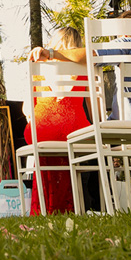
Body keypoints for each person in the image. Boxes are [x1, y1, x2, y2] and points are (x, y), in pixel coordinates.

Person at [23, 27, 91, 214]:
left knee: (44, 140)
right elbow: (91, 107)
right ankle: (70, 208)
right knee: (66, 140)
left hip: (42, 129)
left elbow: (27, 108)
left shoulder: (39, 66)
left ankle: (44, 208)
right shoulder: (85, 66)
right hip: (76, 130)